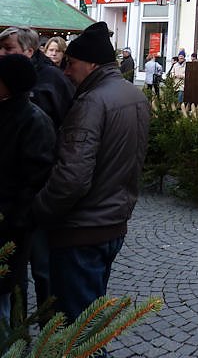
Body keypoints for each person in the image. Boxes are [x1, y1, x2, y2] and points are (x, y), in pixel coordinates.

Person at [32, 21, 150, 325]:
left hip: (81, 231)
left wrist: (38, 210)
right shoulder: (132, 94)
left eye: (71, 64)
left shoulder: (91, 102)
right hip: (112, 223)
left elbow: (72, 178)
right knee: (89, 320)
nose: (67, 71)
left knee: (76, 331)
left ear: (91, 63)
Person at [0, 26, 74, 315]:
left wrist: (21, 215)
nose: (2, 54)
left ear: (29, 51)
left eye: (8, 49)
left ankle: (46, 329)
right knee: (13, 281)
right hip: (14, 211)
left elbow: (40, 170)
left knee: (40, 269)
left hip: (28, 211)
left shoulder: (37, 106)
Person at [0, 54, 56, 326]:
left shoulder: (34, 120)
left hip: (11, 228)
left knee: (13, 291)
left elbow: (36, 179)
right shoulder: (7, 111)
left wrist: (16, 220)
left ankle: (15, 342)